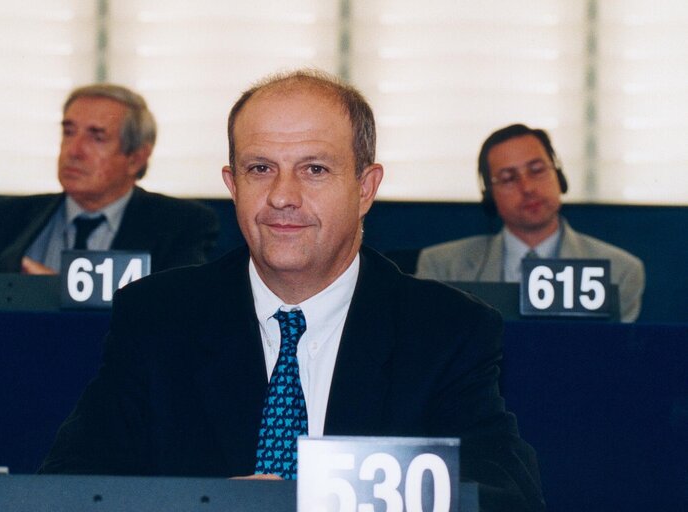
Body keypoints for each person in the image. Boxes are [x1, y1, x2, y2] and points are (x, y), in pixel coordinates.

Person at [39, 71, 546, 511]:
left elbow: (504, 498)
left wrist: (317, 502)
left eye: (315, 169)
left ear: (365, 188)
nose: (282, 196)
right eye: (260, 169)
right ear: (232, 184)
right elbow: (70, 488)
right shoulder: (158, 317)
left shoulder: (445, 331)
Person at [0, 84, 218, 274]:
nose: (74, 151)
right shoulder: (2, 219)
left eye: (96, 137)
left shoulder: (182, 225)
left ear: (136, 158)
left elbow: (177, 315)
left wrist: (56, 290)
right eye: (68, 132)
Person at [416, 123, 645, 322]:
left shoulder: (620, 271)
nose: (527, 188)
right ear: (489, 195)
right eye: (508, 178)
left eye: (537, 170)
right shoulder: (442, 268)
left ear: (560, 176)